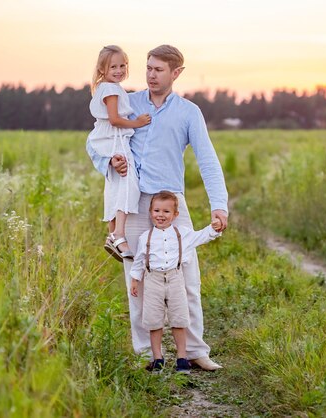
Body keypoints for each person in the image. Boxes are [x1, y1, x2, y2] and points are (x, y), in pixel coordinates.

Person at [87, 44, 228, 370]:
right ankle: (146, 355)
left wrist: (218, 206)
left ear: (176, 73)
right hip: (134, 205)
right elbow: (95, 139)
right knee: (136, 281)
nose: (150, 74)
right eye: (148, 68)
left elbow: (207, 160)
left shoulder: (189, 112)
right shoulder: (127, 102)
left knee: (188, 279)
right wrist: (110, 161)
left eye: (159, 69)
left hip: (172, 204)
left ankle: (195, 350)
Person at [130, 191, 222, 373]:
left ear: (175, 215)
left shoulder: (182, 234)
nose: (160, 215)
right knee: (154, 321)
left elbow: (201, 236)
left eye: (166, 211)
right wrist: (135, 280)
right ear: (150, 212)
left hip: (175, 278)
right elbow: (140, 260)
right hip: (153, 280)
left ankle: (182, 358)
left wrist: (214, 228)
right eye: (157, 210)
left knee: (179, 319)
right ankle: (157, 358)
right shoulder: (145, 237)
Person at [86, 45, 152, 261]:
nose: (119, 70)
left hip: (109, 138)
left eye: (122, 65)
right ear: (102, 69)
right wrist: (137, 123)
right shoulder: (112, 89)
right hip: (116, 139)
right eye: (113, 66)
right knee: (128, 185)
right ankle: (119, 235)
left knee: (116, 185)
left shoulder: (106, 88)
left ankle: (112, 234)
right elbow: (114, 119)